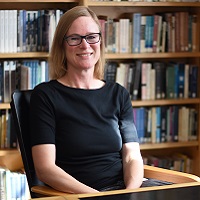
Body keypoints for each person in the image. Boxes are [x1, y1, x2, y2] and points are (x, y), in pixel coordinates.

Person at [29, 6, 144, 194]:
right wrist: (97, 197)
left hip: (121, 191)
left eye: (92, 37)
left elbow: (132, 157)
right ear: (62, 45)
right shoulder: (45, 96)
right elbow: (45, 169)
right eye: (75, 38)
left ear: (100, 41)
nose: (85, 45)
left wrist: (128, 193)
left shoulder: (118, 94)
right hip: (77, 195)